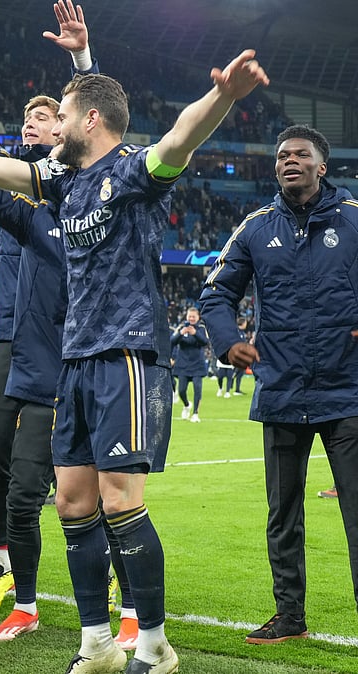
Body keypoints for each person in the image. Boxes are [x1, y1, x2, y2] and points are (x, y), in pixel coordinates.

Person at [0, 48, 268, 674]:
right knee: (72, 502)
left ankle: (152, 646)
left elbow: (182, 136)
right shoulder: (63, 181)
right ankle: (96, 641)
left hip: (126, 354)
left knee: (121, 501)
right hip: (73, 360)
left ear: (89, 119)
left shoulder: (134, 170)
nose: (51, 129)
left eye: (62, 115)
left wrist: (224, 97)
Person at [200, 124, 358, 645]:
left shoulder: (355, 220)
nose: (289, 161)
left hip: (347, 390)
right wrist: (227, 341)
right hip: (283, 389)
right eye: (282, 156)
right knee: (282, 515)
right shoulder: (253, 228)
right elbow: (215, 294)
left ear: (322, 165)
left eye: (300, 155)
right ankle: (289, 616)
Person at [171, 307, 208, 423]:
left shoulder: (201, 328)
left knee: (197, 389)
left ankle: (195, 414)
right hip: (183, 364)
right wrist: (181, 334)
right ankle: (187, 405)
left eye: (193, 316)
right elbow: (172, 341)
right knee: (181, 390)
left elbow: (205, 342)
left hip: (197, 364)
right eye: (189, 316)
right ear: (186, 316)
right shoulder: (181, 327)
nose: (191, 318)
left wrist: (195, 333)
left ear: (198, 317)